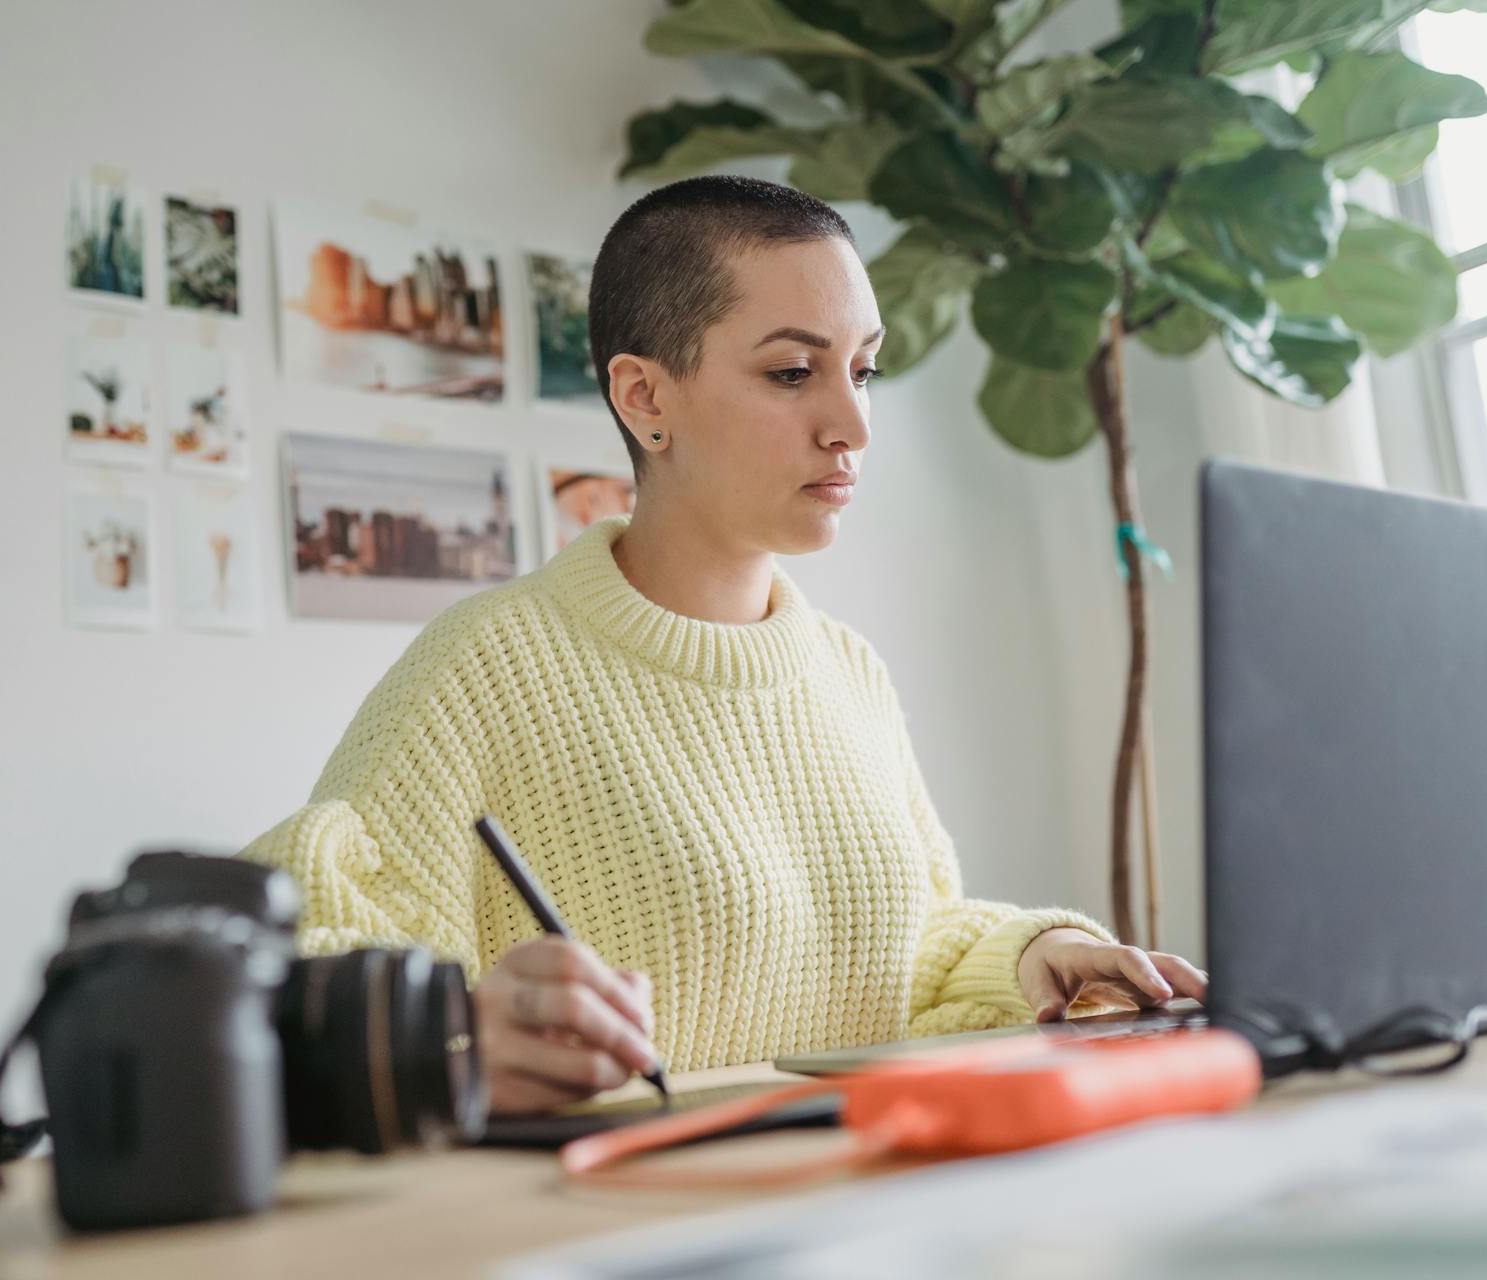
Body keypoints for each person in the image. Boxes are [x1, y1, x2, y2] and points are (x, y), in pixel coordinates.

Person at [243, 176, 1208, 1117]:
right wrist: (456, 1033)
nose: (852, 424)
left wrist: (1029, 957)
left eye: (861, 369)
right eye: (794, 372)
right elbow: (298, 968)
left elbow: (903, 954)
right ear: (644, 399)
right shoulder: (484, 668)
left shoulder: (848, 672)